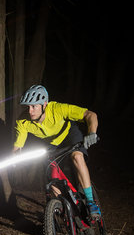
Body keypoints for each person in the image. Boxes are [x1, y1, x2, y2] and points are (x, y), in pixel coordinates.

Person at [13, 84, 101, 217]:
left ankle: (90, 202)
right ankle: (65, 211)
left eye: (34, 106)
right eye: (28, 107)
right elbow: (17, 146)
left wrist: (92, 133)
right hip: (51, 143)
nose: (30, 111)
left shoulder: (58, 109)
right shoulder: (22, 121)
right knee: (51, 177)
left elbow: (90, 115)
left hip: (69, 135)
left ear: (44, 104)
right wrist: (15, 158)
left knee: (77, 156)